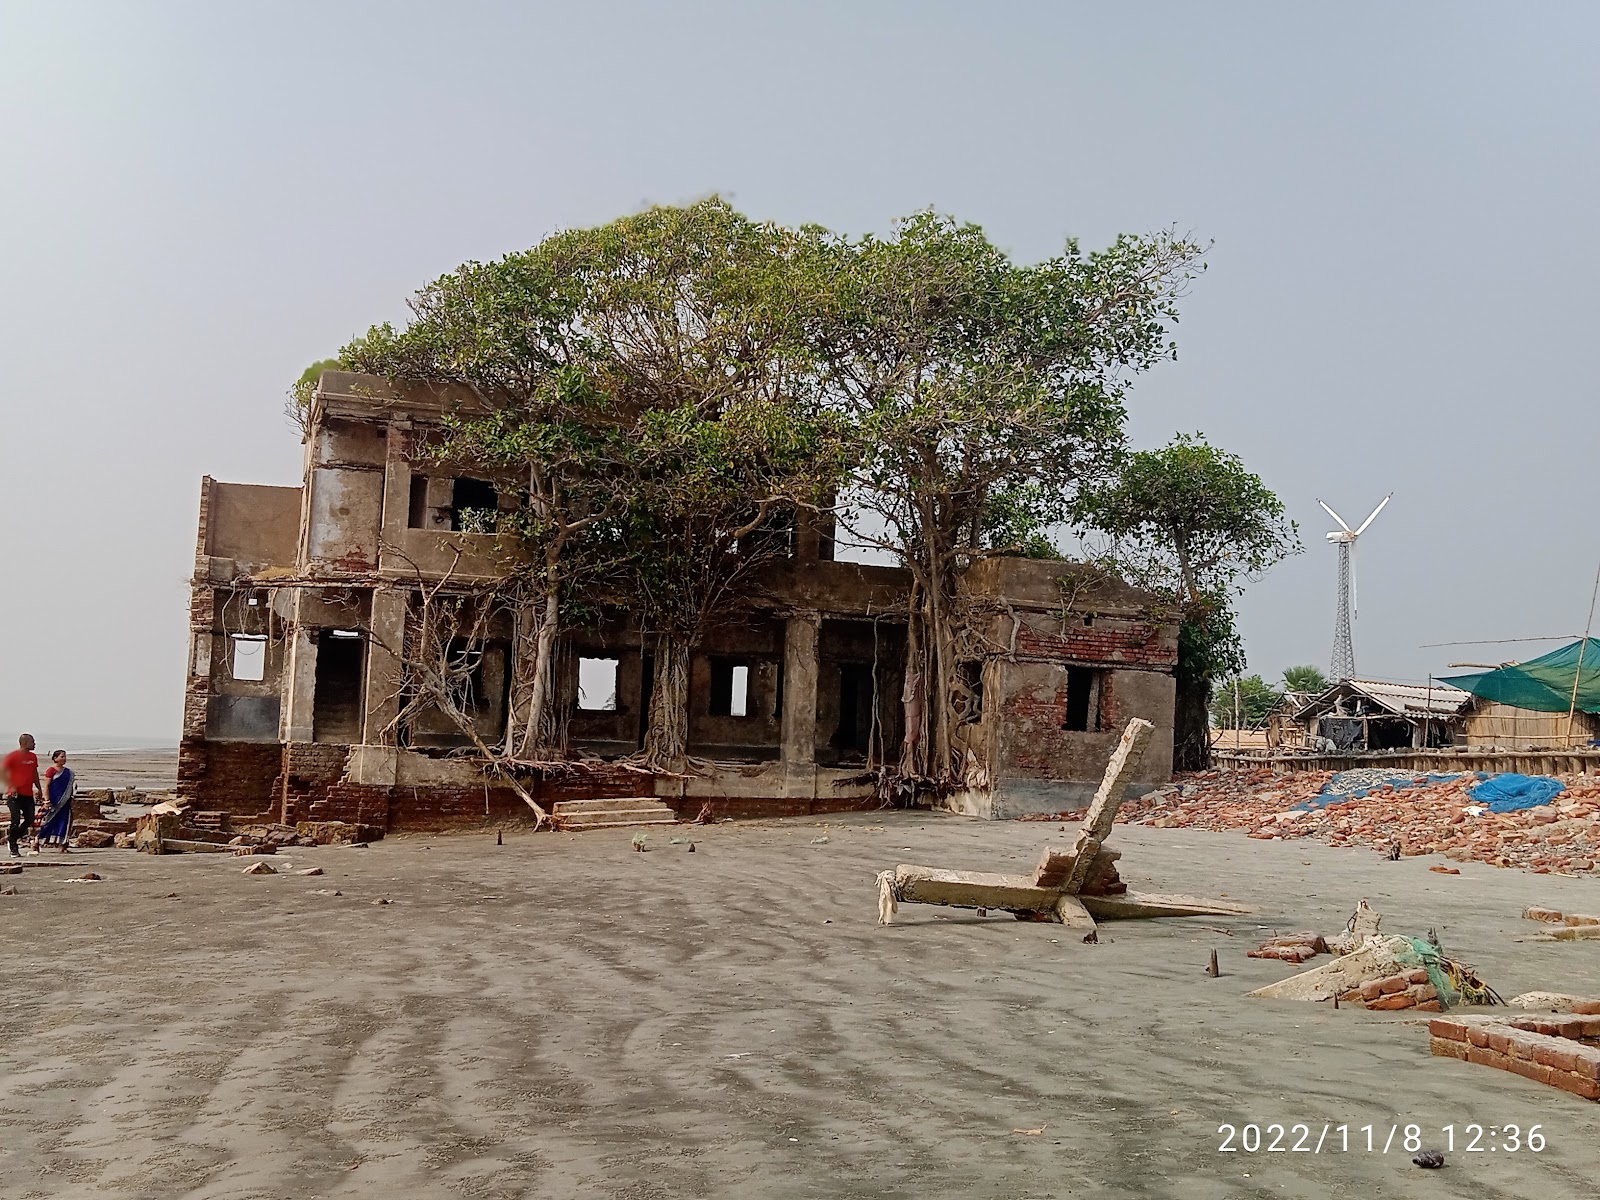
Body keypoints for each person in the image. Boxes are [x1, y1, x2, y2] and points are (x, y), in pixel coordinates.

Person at [3, 734, 44, 858]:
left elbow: (34, 773)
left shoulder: (33, 757)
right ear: (24, 743)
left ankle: (12, 838)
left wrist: (39, 788)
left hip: (27, 794)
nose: (35, 744)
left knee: (30, 819)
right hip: (14, 795)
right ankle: (13, 846)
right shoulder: (13, 756)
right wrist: (12, 786)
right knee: (15, 820)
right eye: (32, 742)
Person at [35, 749, 75, 853]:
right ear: (55, 758)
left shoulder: (69, 772)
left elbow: (70, 787)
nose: (64, 759)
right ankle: (37, 842)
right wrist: (46, 800)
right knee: (48, 822)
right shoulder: (51, 770)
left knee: (65, 823)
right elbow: (47, 786)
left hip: (65, 802)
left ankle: (63, 845)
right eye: (61, 757)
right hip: (54, 801)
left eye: (65, 756)